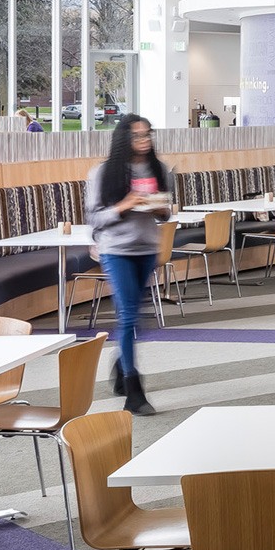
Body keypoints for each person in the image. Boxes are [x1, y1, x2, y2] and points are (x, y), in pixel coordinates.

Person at [85, 116, 175, 415]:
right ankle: (134, 391)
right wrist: (123, 206)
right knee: (127, 316)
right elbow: (94, 218)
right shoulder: (103, 172)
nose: (144, 140)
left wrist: (159, 208)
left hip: (147, 248)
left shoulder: (160, 169)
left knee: (135, 317)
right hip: (116, 250)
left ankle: (121, 364)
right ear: (124, 138)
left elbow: (166, 213)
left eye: (148, 134)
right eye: (137, 135)